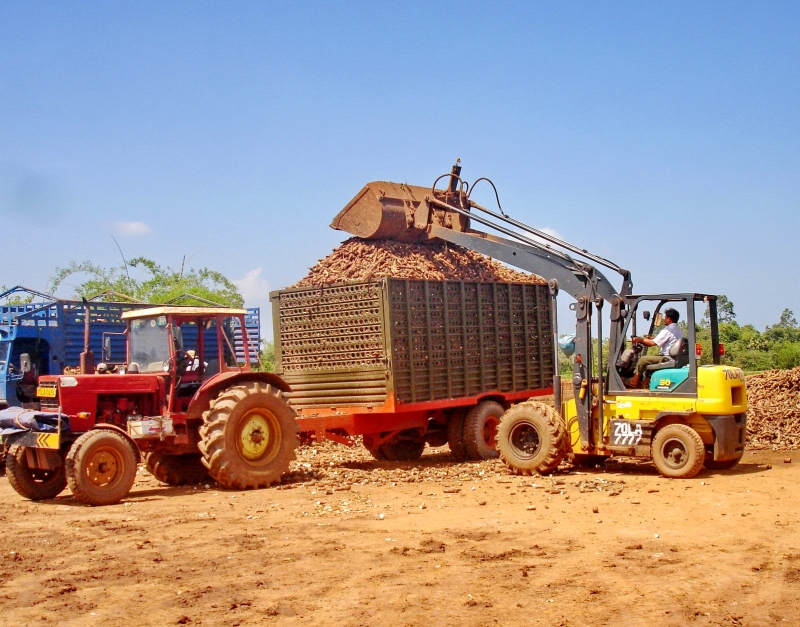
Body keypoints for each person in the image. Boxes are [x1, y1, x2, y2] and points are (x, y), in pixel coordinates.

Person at [628, 308, 685, 388]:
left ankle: (633, 381)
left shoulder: (668, 330)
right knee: (652, 359)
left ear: (669, 319)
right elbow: (665, 341)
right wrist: (653, 338)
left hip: (667, 358)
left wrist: (639, 339)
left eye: (665, 318)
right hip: (674, 358)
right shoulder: (678, 330)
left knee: (643, 360)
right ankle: (645, 382)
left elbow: (652, 343)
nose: (664, 320)